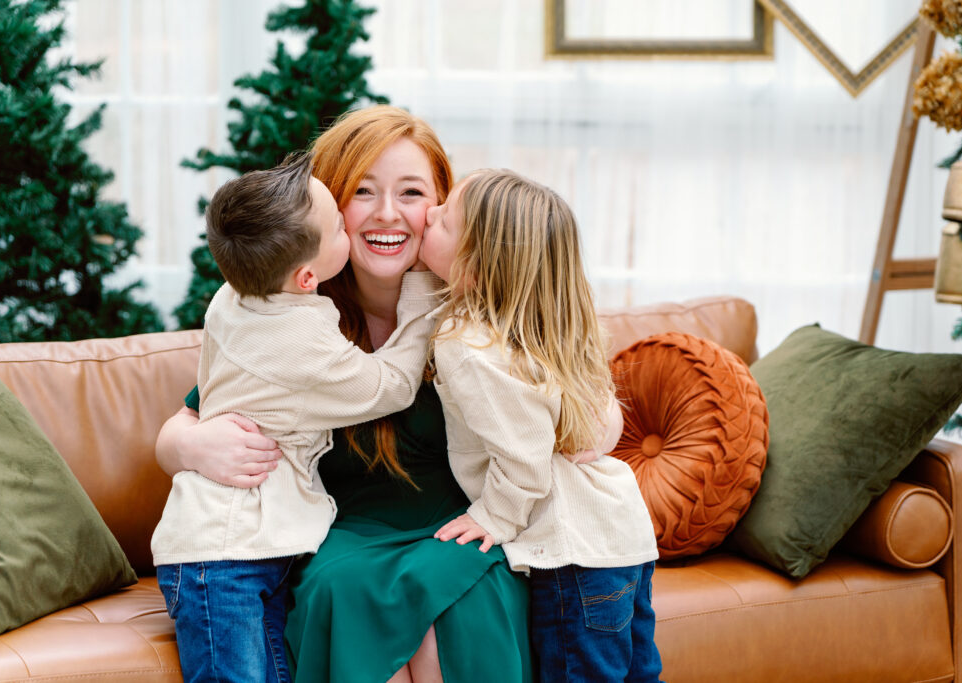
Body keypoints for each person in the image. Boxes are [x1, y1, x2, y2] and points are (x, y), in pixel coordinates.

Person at [154, 106, 534, 683]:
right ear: (329, 210)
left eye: (411, 192)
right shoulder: (285, 311)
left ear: (443, 208)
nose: (388, 214)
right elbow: (182, 425)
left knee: (451, 611)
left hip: (465, 523)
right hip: (342, 532)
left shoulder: (481, 298)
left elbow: (579, 398)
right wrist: (191, 447)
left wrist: (593, 429)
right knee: (346, 592)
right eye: (362, 192)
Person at [152, 151, 440, 683]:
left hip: (253, 546)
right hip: (227, 552)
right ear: (307, 276)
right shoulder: (299, 343)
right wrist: (421, 296)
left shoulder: (236, 293)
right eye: (340, 225)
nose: (356, 229)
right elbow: (393, 386)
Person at [422, 169, 663, 682]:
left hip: (573, 550)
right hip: (623, 535)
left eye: (444, 218)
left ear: (477, 266)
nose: (427, 214)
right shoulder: (543, 331)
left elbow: (524, 461)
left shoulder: (468, 346)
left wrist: (493, 517)